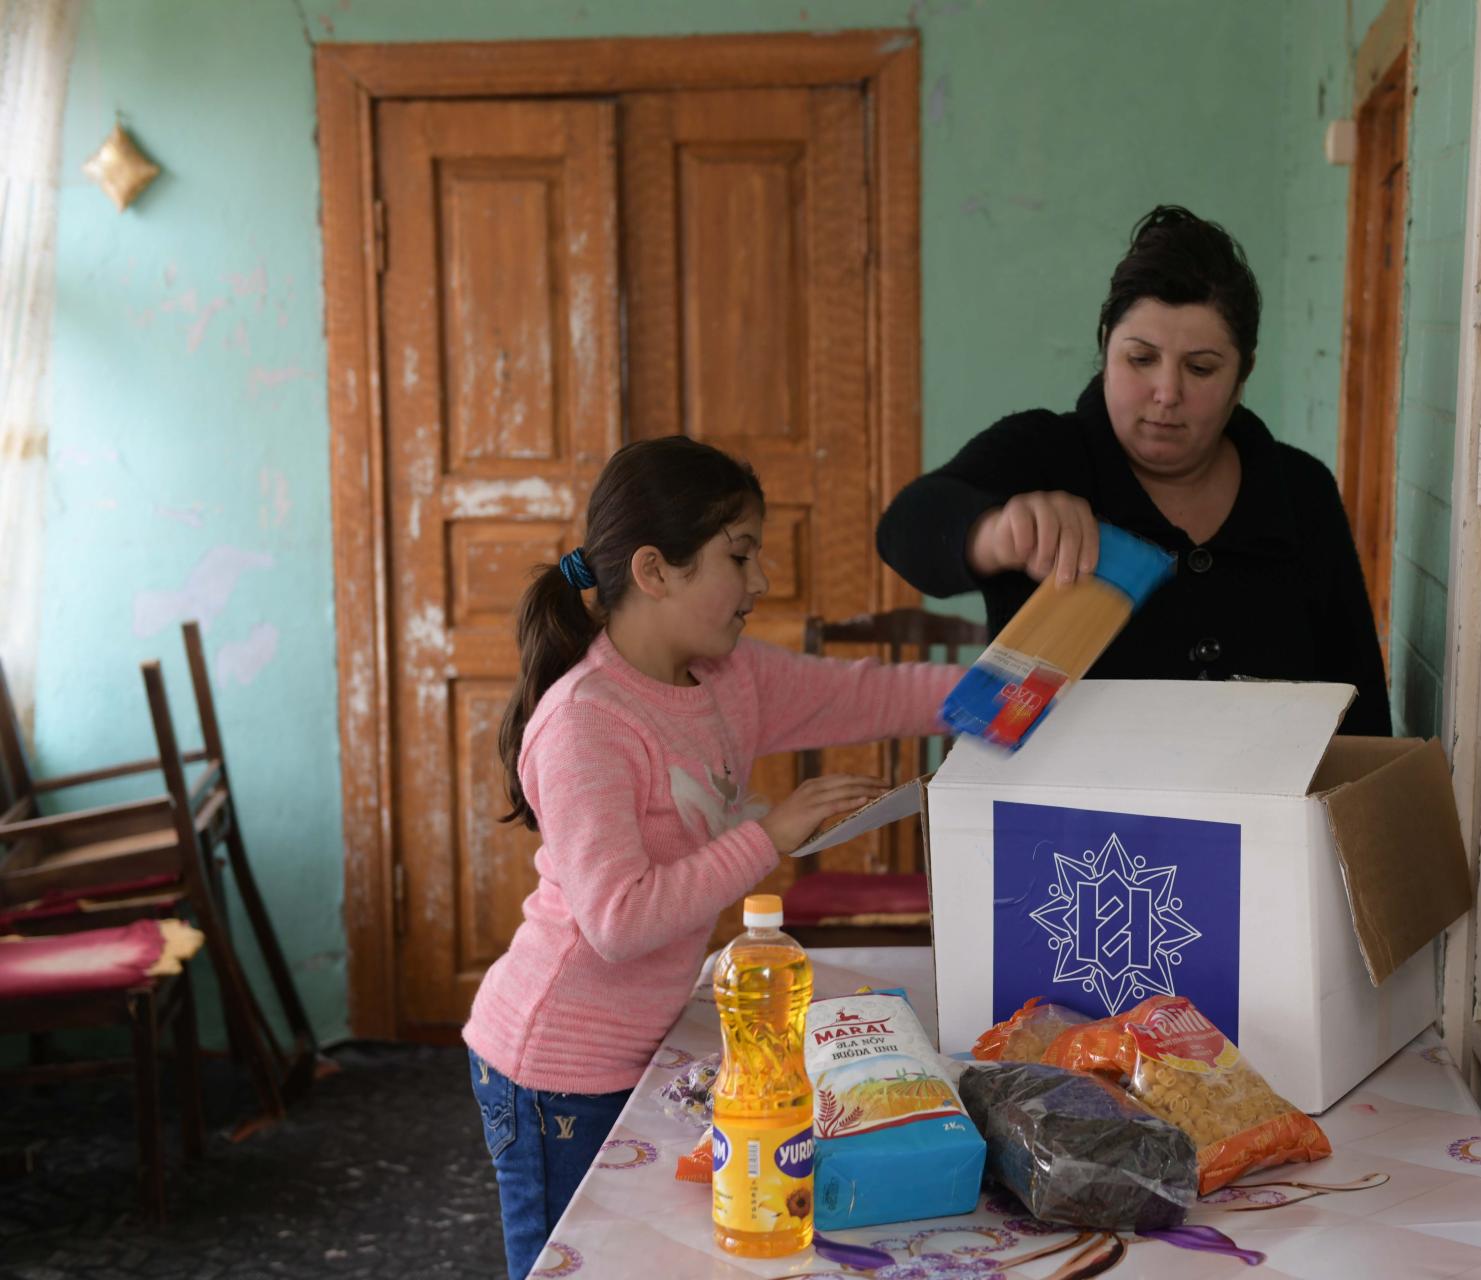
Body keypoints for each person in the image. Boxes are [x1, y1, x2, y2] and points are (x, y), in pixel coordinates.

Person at [464, 437, 959, 1280]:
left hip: (639, 1045)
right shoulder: (586, 718)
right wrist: (770, 836)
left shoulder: (727, 676)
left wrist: (1016, 688)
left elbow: (870, 693)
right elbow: (618, 920)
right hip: (554, 1072)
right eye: (740, 555)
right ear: (656, 571)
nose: (761, 580)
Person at [877, 205, 1390, 736]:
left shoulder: (1298, 490)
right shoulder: (1043, 454)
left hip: (1260, 815)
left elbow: (1362, 708)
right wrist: (996, 534)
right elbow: (904, 530)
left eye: (1201, 368)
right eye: (1141, 359)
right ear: (1105, 346)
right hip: (1064, 813)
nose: (1167, 393)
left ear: (1243, 375)